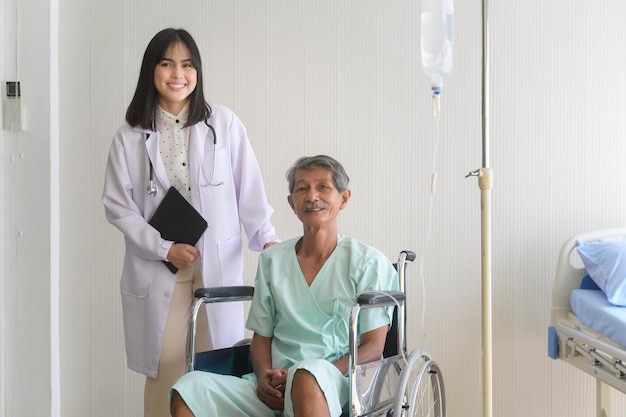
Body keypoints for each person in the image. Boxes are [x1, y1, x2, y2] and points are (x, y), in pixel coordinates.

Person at [102, 28, 279, 417]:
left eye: (187, 64)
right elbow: (119, 207)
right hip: (161, 267)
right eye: (167, 64)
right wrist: (165, 248)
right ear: (152, 70)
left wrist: (268, 243)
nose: (177, 73)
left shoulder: (224, 124)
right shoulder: (130, 137)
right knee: (167, 369)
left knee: (219, 370)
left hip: (216, 267)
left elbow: (249, 190)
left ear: (197, 71)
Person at [169, 155, 398, 417]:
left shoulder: (368, 263)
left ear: (343, 199)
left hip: (334, 382)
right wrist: (264, 376)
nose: (312, 196)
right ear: (292, 203)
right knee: (188, 389)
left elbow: (373, 346)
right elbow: (261, 338)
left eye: (323, 187)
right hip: (275, 386)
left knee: (306, 377)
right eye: (302, 189)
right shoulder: (272, 261)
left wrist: (307, 377)